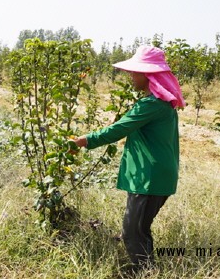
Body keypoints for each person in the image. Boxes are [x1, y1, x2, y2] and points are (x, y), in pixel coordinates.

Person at [72, 45, 185, 273]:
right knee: (138, 229)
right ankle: (146, 269)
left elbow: (117, 129)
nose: (131, 76)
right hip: (155, 176)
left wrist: (82, 141)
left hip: (149, 179)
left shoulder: (151, 105)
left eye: (135, 72)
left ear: (148, 75)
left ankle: (144, 272)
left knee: (133, 232)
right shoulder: (162, 104)